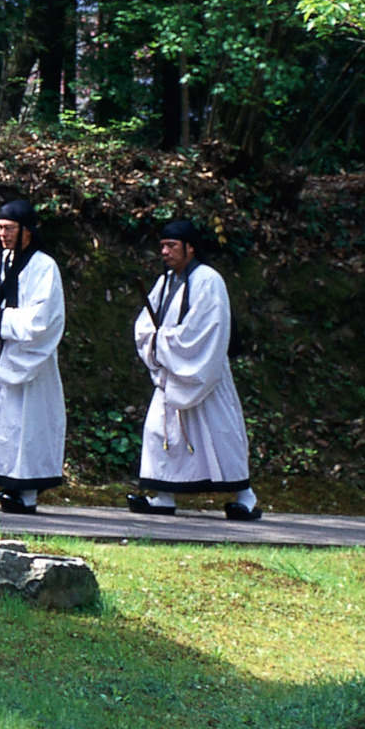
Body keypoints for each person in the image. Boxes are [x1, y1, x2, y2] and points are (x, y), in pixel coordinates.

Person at [128, 218, 261, 521]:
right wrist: (158, 340)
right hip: (173, 374)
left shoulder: (209, 280)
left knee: (221, 434)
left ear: (190, 248)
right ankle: (163, 495)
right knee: (159, 432)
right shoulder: (165, 282)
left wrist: (165, 340)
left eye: (171, 246)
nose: (164, 252)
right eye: (162, 246)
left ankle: (246, 496)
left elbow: (206, 330)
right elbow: (145, 325)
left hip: (206, 371)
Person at [0, 198, 65, 515]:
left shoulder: (44, 267)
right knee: (2, 423)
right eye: (0, 228)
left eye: (9, 228)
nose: (2, 234)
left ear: (27, 231)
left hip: (29, 360)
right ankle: (8, 483)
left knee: (29, 424)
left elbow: (44, 318)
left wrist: (3, 321)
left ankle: (28, 491)